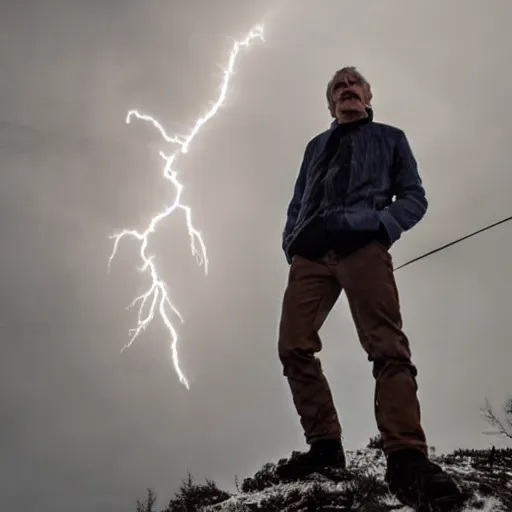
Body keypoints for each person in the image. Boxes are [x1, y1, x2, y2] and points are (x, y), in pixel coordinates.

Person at [276, 66, 463, 509]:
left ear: (367, 95)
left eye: (354, 84)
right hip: (312, 254)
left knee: (387, 346)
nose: (347, 90)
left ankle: (405, 456)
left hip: (363, 246)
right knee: (293, 346)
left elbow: (414, 196)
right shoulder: (315, 147)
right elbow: (299, 199)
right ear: (331, 103)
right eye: (339, 87)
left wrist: (381, 225)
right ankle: (325, 447)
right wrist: (292, 241)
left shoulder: (390, 138)